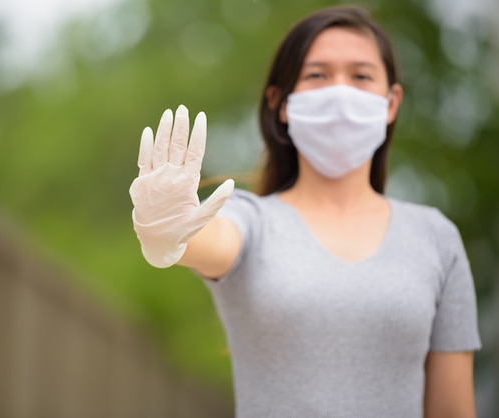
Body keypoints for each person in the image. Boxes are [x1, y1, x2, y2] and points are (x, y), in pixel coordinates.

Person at [129, 5, 481, 417]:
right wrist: (167, 230)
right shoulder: (252, 221)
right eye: (317, 75)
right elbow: (209, 238)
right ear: (281, 102)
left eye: (361, 76)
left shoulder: (436, 239)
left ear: (391, 102)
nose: (340, 92)